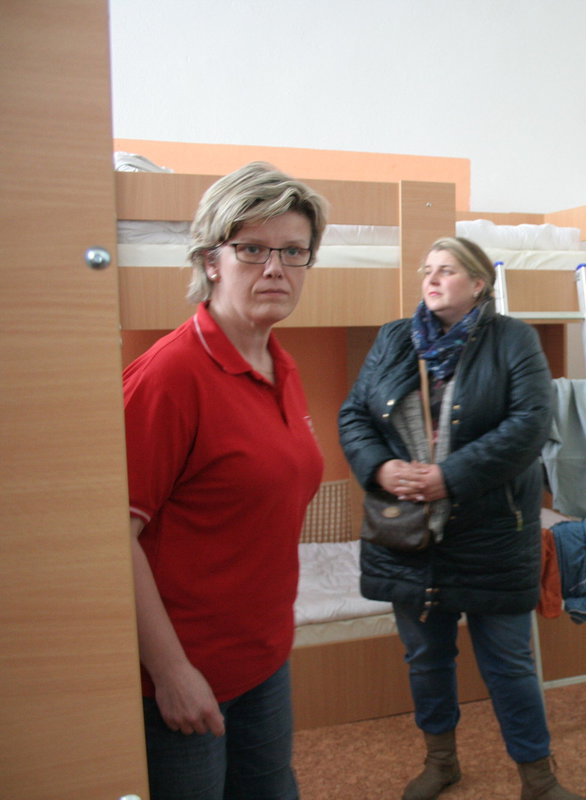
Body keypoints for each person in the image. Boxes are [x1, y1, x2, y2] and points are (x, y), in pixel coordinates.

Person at [338, 236, 585, 800]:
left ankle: (539, 779)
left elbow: (529, 425)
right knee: (426, 658)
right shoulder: (394, 338)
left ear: (478, 283)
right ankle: (441, 762)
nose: (431, 279)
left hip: (492, 534)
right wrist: (380, 468)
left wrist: (451, 476)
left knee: (510, 664)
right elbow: (354, 414)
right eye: (427, 269)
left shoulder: (513, 339)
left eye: (446, 270)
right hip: (408, 533)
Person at [124, 162, 329, 799]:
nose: (276, 268)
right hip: (184, 672)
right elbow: (111, 539)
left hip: (264, 658)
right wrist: (171, 672)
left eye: (293, 251)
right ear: (211, 260)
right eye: (252, 249)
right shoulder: (169, 376)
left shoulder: (280, 365)